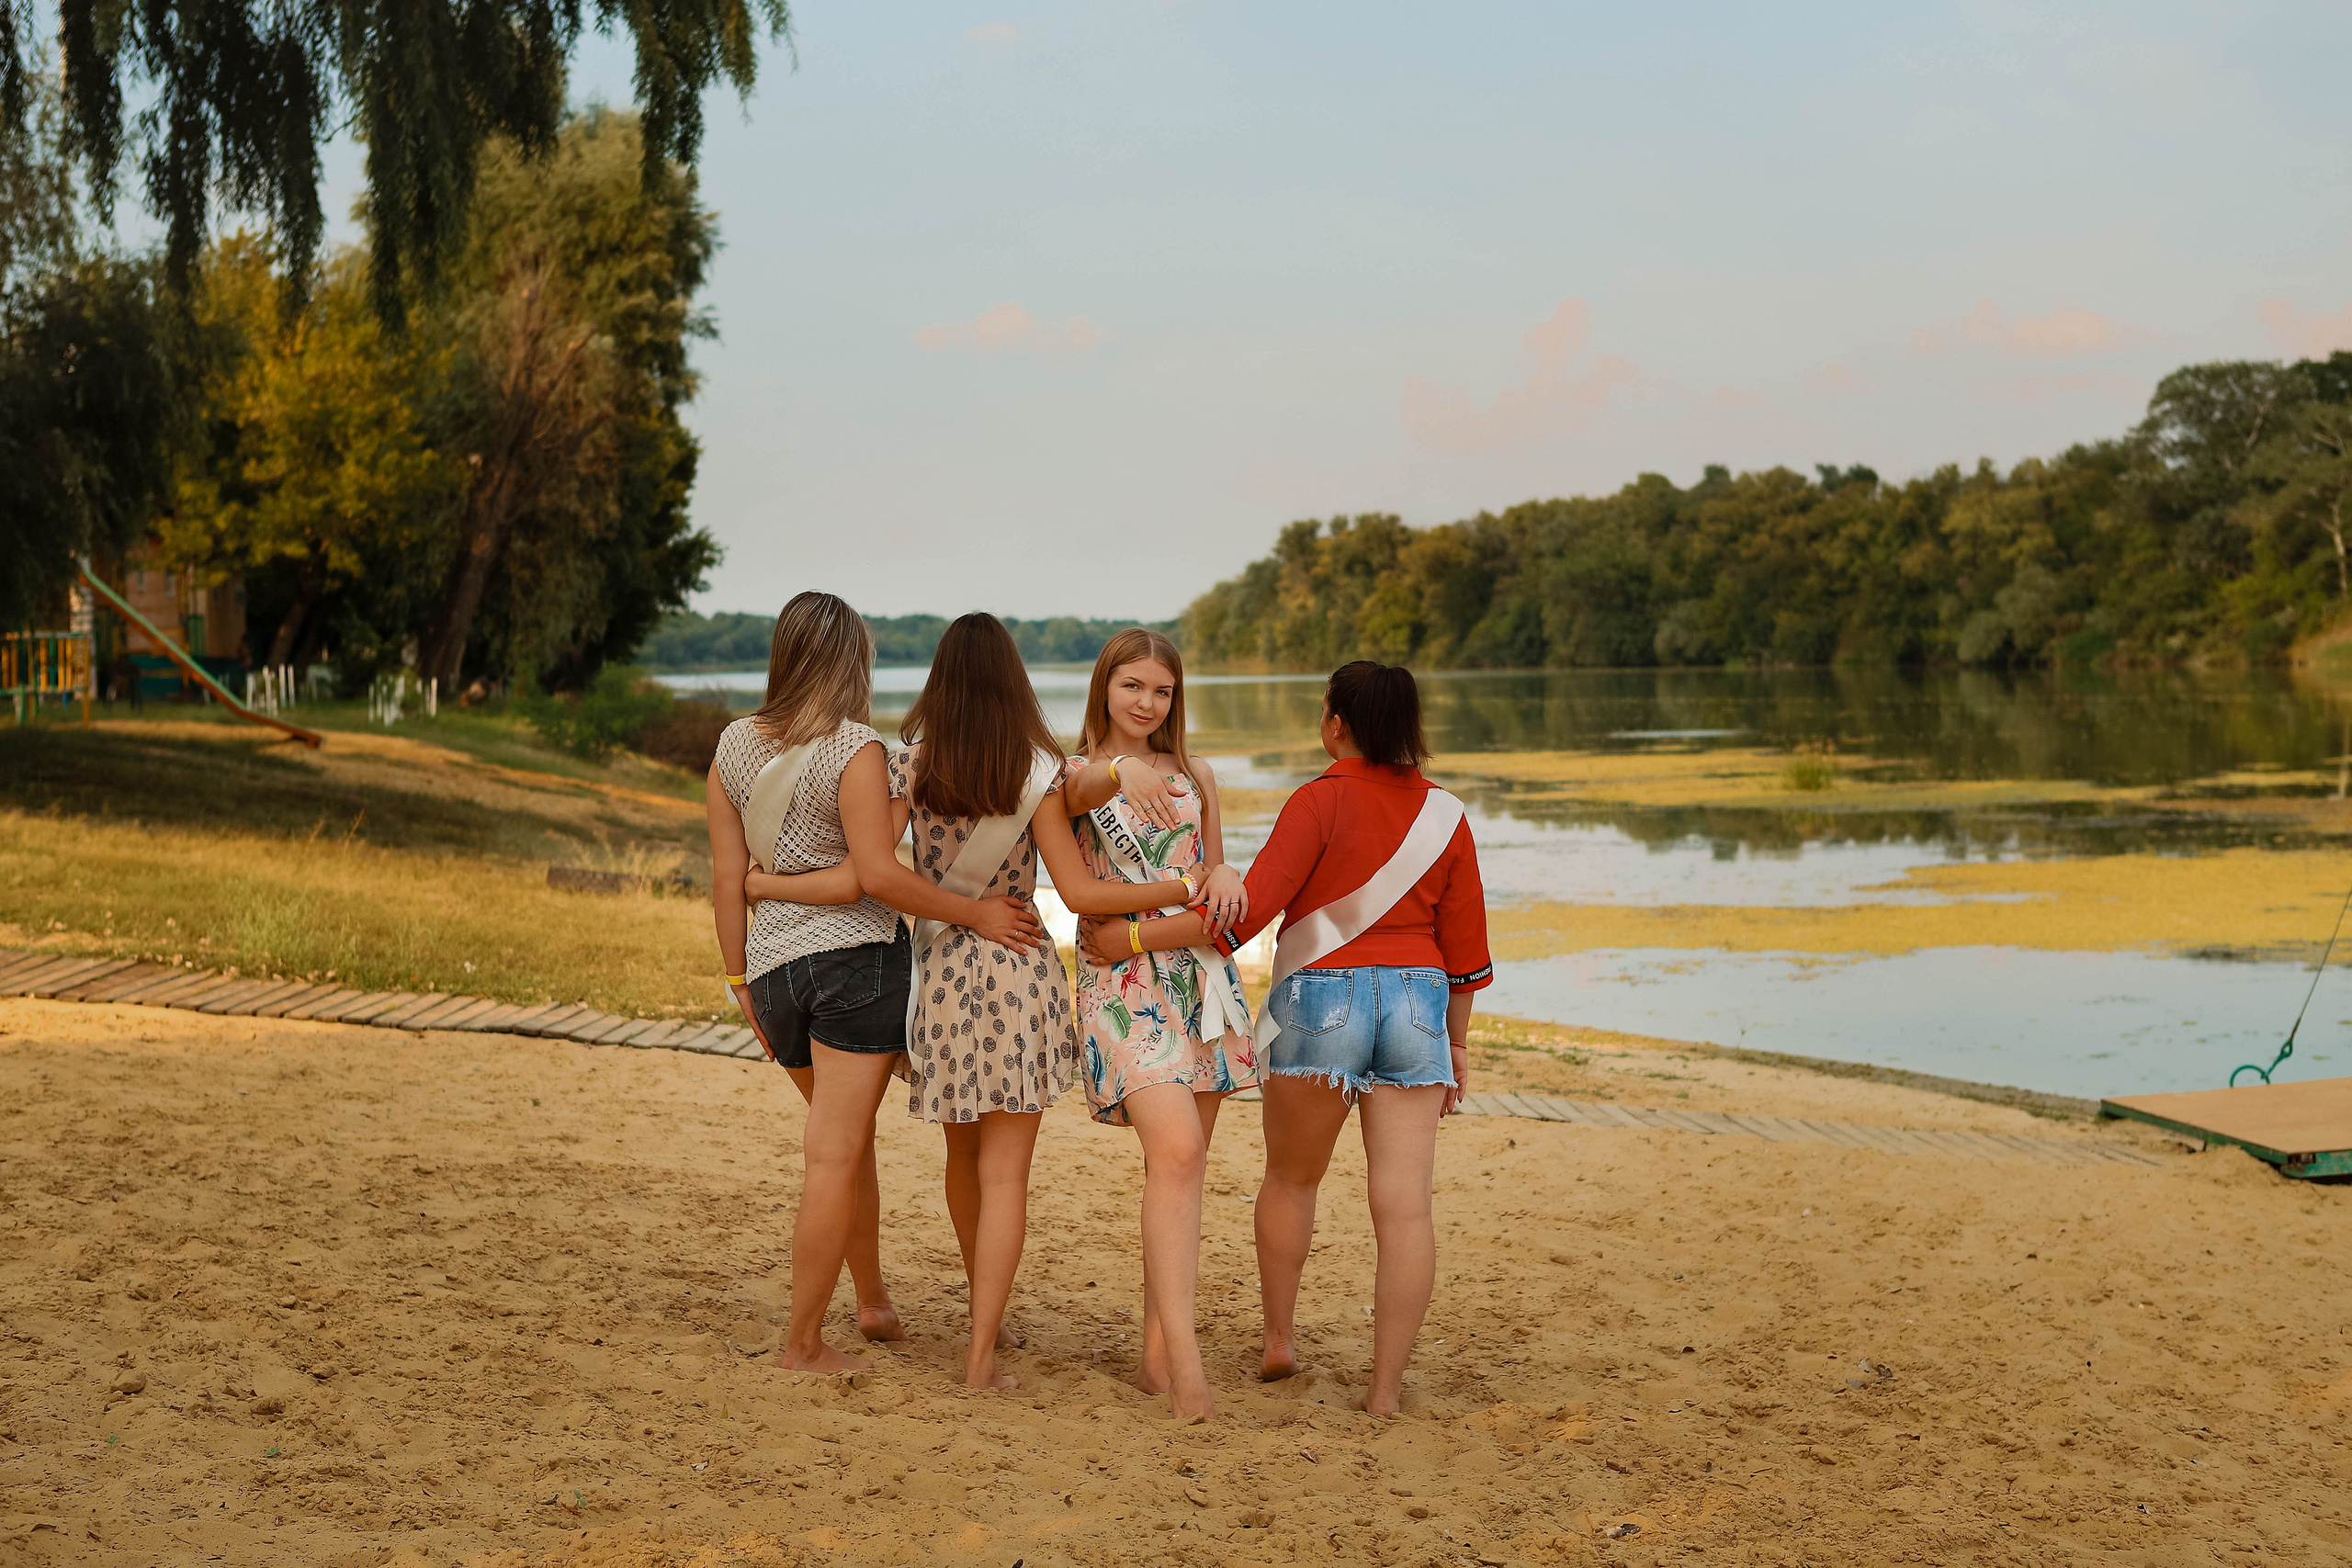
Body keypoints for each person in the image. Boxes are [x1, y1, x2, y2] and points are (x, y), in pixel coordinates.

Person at [826, 613, 1233, 1393]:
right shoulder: (1039, 772)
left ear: (938, 681)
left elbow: (874, 871)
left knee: (961, 1158)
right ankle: (981, 1351)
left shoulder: (907, 766)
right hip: (1018, 969)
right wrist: (1189, 883)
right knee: (1008, 1174)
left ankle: (989, 1318)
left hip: (942, 973)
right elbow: (1076, 891)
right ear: (1016, 682)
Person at [1080, 659, 1489, 1417]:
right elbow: (1465, 954)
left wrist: (1133, 936)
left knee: (1293, 1179)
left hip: (1320, 1001)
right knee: (1405, 1209)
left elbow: (1244, 910)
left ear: (1335, 723)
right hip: (1417, 1005)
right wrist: (1456, 1045)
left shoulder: (1316, 802)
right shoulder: (1450, 816)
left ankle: (1278, 1338)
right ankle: (1386, 1393)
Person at [706, 590, 1044, 1375]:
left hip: (772, 973)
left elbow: (728, 878)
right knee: (834, 1154)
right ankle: (802, 1344)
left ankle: (873, 1300)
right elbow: (877, 878)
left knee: (845, 1149)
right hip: (854, 967)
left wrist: (738, 975)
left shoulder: (730, 747)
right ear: (854, 660)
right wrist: (979, 913)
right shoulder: (855, 748)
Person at [1060, 627, 1255, 1422]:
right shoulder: (1070, 775)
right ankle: (1188, 1366)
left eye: (1162, 690)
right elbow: (1083, 893)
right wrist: (1122, 772)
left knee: (1183, 1170)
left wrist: (1229, 869)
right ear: (1104, 685)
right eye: (1132, 685)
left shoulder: (1199, 773)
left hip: (1201, 986)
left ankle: (1152, 1355)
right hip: (1118, 988)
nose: (1147, 702)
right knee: (1176, 1152)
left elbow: (1218, 900)